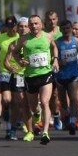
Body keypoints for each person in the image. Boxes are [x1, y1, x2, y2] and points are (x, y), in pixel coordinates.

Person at [9, 15, 59, 144]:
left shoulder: (48, 36)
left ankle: (45, 132)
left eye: (36, 23)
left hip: (46, 73)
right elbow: (15, 53)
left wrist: (55, 60)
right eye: (31, 24)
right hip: (30, 76)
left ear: (41, 24)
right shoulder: (24, 39)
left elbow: (54, 47)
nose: (34, 26)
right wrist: (20, 61)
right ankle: (37, 114)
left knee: (44, 102)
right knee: (34, 107)